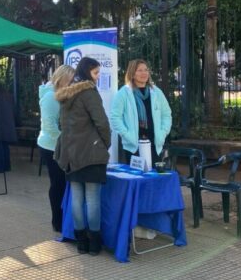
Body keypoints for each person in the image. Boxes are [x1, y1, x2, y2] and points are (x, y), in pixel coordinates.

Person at [55, 57, 111, 256]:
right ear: (87, 72)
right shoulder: (88, 92)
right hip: (91, 152)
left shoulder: (66, 94)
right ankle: (94, 244)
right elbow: (102, 122)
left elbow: (61, 125)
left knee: (77, 198)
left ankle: (81, 243)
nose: (97, 77)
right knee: (93, 199)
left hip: (71, 154)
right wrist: (106, 143)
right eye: (96, 73)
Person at [109, 59, 172, 166]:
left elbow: (166, 115)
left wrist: (162, 133)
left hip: (154, 143)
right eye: (140, 70)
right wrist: (126, 135)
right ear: (132, 74)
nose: (144, 73)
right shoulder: (123, 93)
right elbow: (115, 117)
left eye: (146, 70)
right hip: (134, 146)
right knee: (137, 177)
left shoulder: (156, 92)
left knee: (152, 178)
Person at [37, 65, 75, 233]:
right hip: (51, 146)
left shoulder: (62, 94)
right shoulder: (51, 97)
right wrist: (66, 142)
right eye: (71, 80)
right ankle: (57, 221)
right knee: (58, 184)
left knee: (62, 183)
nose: (73, 83)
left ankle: (62, 218)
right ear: (62, 78)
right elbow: (50, 126)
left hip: (60, 145)